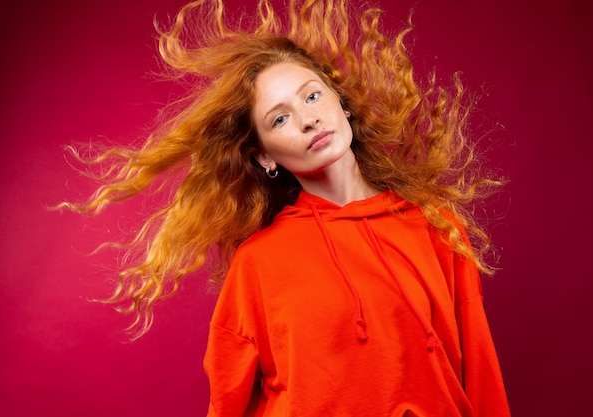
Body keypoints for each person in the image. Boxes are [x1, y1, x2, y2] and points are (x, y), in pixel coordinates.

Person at [63, 0, 510, 415]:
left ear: (341, 102)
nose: (308, 119)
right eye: (280, 118)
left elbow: (482, 373)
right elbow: (228, 403)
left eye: (312, 96)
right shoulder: (258, 264)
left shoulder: (434, 225)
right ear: (265, 156)